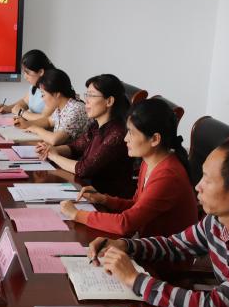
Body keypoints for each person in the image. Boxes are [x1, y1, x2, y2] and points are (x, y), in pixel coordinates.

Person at [89, 137, 229, 307]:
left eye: (207, 180)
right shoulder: (216, 219)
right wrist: (125, 245)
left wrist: (134, 279)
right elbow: (175, 246)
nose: (198, 186)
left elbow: (212, 306)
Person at [62, 96, 198, 237]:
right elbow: (137, 205)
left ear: (155, 139)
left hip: (164, 250)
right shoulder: (149, 161)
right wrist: (105, 199)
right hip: (147, 242)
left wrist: (76, 214)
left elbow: (125, 224)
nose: (125, 138)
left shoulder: (168, 175)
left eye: (131, 133)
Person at [39, 73, 136, 198]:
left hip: (108, 199)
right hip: (90, 191)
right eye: (87, 95)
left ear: (109, 101)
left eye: (92, 95)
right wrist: (51, 150)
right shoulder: (96, 125)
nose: (87, 101)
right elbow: (75, 147)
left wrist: (53, 156)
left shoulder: (117, 133)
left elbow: (84, 169)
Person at [12, 68, 89, 145]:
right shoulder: (62, 107)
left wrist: (36, 129)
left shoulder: (75, 109)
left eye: (43, 94)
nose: (42, 98)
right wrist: (25, 124)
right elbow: (48, 121)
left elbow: (55, 139)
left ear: (57, 94)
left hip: (71, 152)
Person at [0, 49, 55, 127]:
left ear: (40, 72)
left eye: (27, 73)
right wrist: (8, 108)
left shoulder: (53, 89)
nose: (25, 77)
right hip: (33, 128)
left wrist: (21, 112)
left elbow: (45, 119)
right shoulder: (36, 84)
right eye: (24, 72)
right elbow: (25, 102)